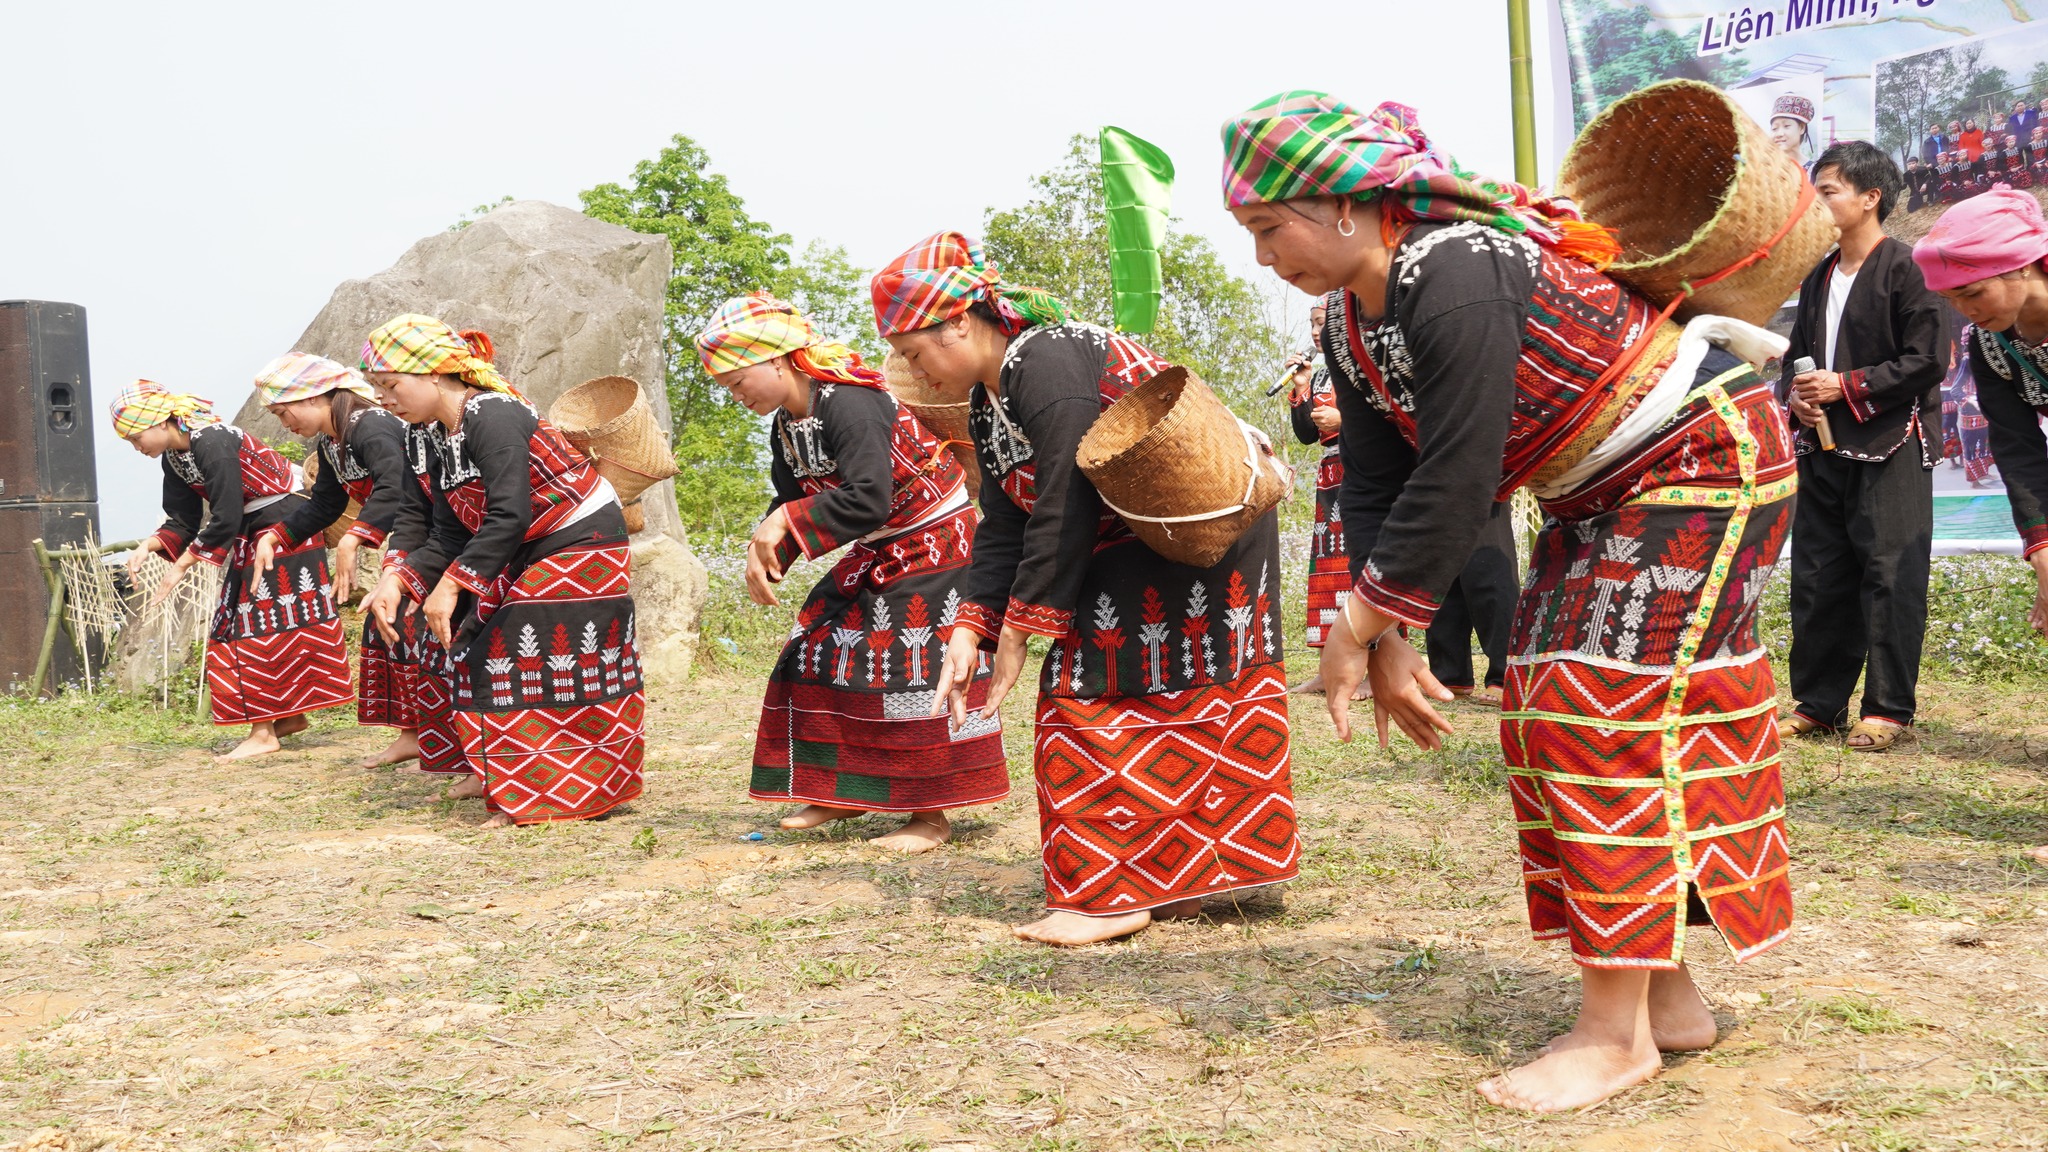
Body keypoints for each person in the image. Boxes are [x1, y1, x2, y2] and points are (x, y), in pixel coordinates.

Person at [1222, 91, 1795, 1112]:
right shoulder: (1353, 326)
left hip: (1702, 458)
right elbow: (1373, 480)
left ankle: (1611, 1038)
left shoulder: (1457, 268)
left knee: (1592, 707)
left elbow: (1457, 472)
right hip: (1597, 491)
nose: (1265, 256)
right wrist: (1387, 631)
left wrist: (1357, 627)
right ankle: (1662, 996)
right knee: (1537, 713)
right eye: (1249, 236)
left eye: (1271, 227)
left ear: (1350, 202)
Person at [875, 231, 1299, 946]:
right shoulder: (991, 400)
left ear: (958, 322)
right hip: (1132, 544)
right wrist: (970, 624)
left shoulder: (1047, 359)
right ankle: (1180, 881)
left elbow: (1063, 499)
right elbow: (1007, 516)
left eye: (918, 354)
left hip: (1185, 534)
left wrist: (1021, 628)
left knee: (1085, 704)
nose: (920, 373)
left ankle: (1108, 894)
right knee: (1163, 699)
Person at [695, 292, 1008, 852]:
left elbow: (866, 499)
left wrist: (786, 522)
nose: (734, 395)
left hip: (937, 543)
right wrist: (766, 551)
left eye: (738, 381)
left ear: (777, 359)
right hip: (885, 545)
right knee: (817, 649)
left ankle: (929, 814)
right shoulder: (788, 426)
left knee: (906, 667)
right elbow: (790, 498)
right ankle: (844, 790)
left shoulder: (849, 403)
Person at [360, 315, 644, 827]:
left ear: (435, 374)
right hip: (517, 543)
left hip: (579, 533)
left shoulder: (494, 413)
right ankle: (489, 770)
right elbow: (445, 530)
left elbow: (508, 511)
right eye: (378, 389)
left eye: (391, 385)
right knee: (452, 639)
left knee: (522, 647)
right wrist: (397, 577)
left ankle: (555, 792)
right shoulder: (425, 436)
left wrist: (452, 584)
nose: (384, 399)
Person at [1777, 143, 1948, 754]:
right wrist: (1796, 398)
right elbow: (1793, 361)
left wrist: (1846, 384)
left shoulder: (1910, 267)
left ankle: (1887, 707)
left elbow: (1929, 360)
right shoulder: (1818, 275)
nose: (1818, 202)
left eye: (1828, 190)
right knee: (1819, 574)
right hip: (1823, 447)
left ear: (1870, 197)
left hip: (1892, 442)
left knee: (1889, 575)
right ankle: (1818, 705)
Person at [111, 380, 353, 760]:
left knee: (251, 627)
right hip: (254, 529)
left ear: (160, 422)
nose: (136, 447)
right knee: (251, 622)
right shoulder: (175, 457)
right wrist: (149, 545)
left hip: (284, 520)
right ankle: (285, 717)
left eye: (135, 437)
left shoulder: (213, 440)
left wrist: (183, 566)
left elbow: (225, 513)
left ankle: (263, 734)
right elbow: (181, 520)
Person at [1914, 186, 2048, 865]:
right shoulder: (1991, 346)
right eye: (1955, 300)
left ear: (2026, 265)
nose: (1964, 312)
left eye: (1974, 293)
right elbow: (2019, 447)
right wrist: (2043, 549)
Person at [251, 352, 457, 773]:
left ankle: (449, 743)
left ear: (313, 397)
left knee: (410, 624)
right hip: (416, 536)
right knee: (386, 625)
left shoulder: (372, 424)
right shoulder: (332, 441)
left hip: (443, 534)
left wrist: (354, 538)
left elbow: (395, 486)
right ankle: (414, 737)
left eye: (283, 411)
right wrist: (277, 534)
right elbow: (326, 503)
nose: (284, 423)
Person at [1283, 301, 1363, 695]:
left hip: (1365, 470)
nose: (1317, 331)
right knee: (1327, 572)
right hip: (1330, 476)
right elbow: (1306, 435)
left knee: (1360, 568)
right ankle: (1327, 669)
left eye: (1324, 322)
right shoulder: (1317, 376)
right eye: (1312, 324)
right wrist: (1301, 388)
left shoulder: (1363, 360)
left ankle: (1367, 671)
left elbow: (1389, 414)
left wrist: (1344, 422)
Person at [1768, 93, 1816, 167]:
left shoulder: (1814, 171)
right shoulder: (1766, 168)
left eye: (1786, 126)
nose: (1779, 134)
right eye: (1774, 128)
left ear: (1802, 128)